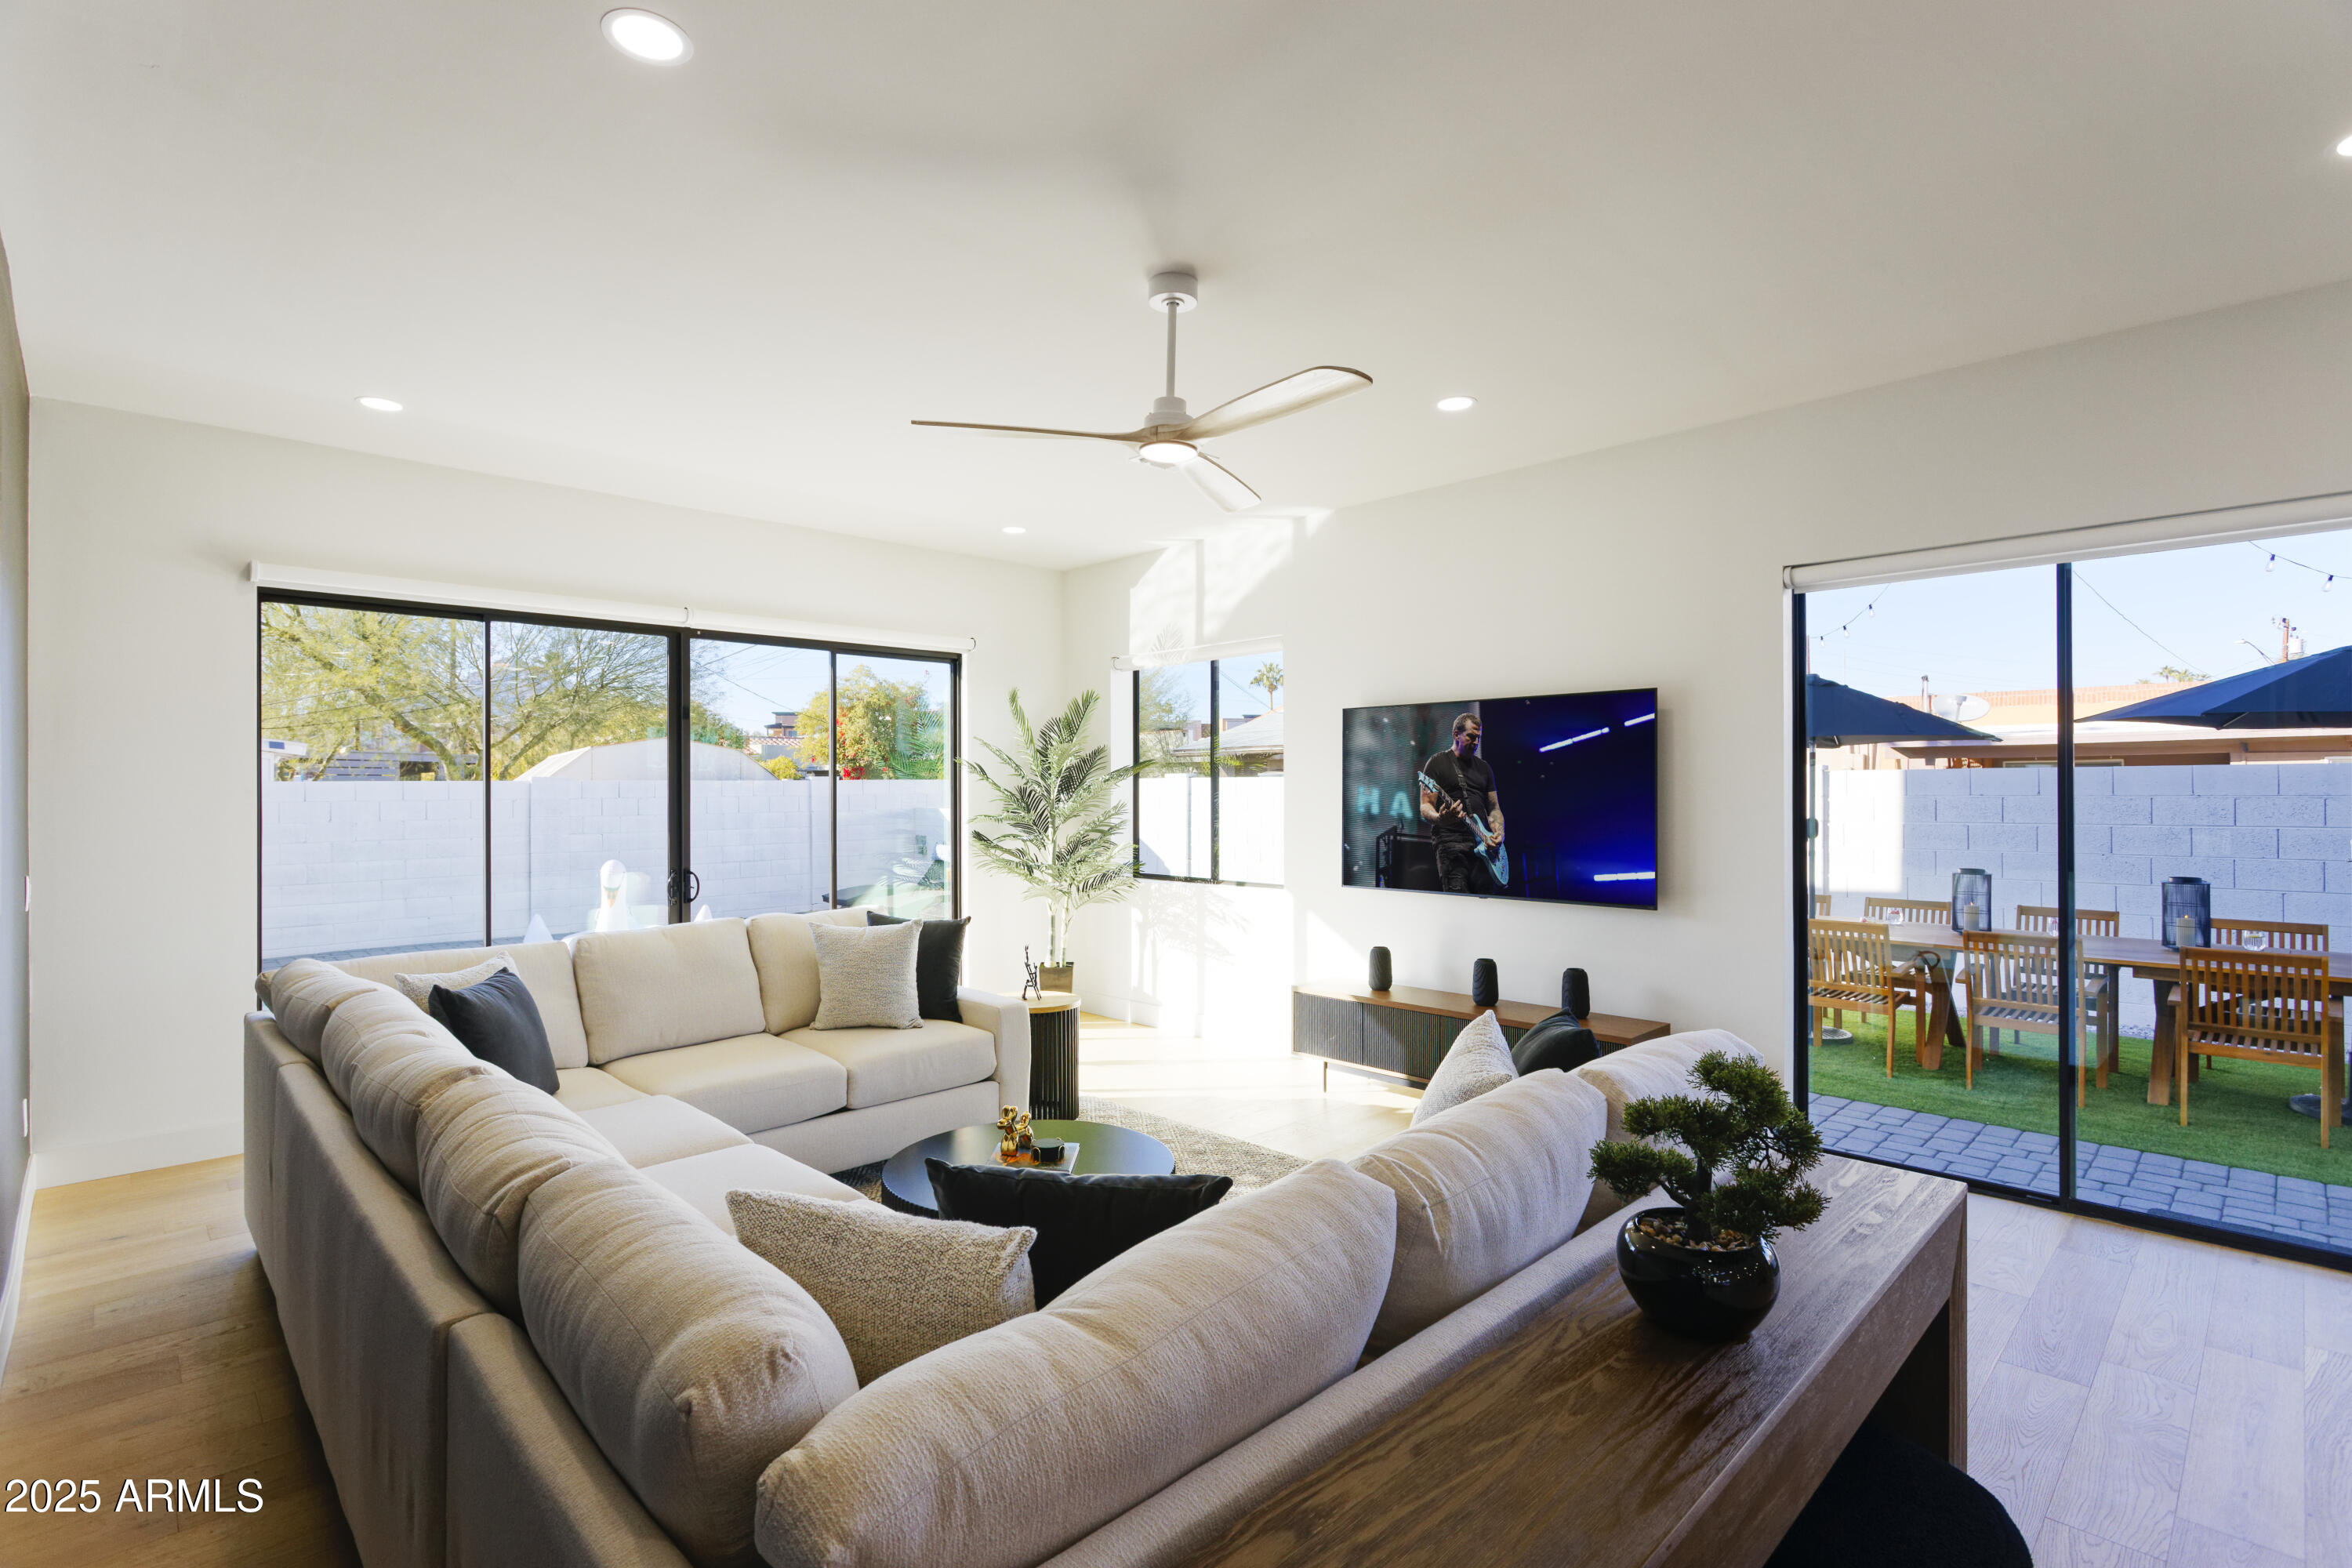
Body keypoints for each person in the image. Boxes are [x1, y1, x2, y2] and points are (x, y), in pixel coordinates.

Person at [1421, 712, 1504, 894]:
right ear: (1456, 734)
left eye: (1478, 738)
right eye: (1471, 737)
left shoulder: (1485, 768)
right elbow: (1425, 806)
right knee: (1459, 902)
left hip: (1484, 846)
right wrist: (1441, 818)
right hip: (1451, 845)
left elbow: (1494, 808)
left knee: (1485, 906)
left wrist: (1499, 832)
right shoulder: (1437, 763)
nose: (1475, 742)